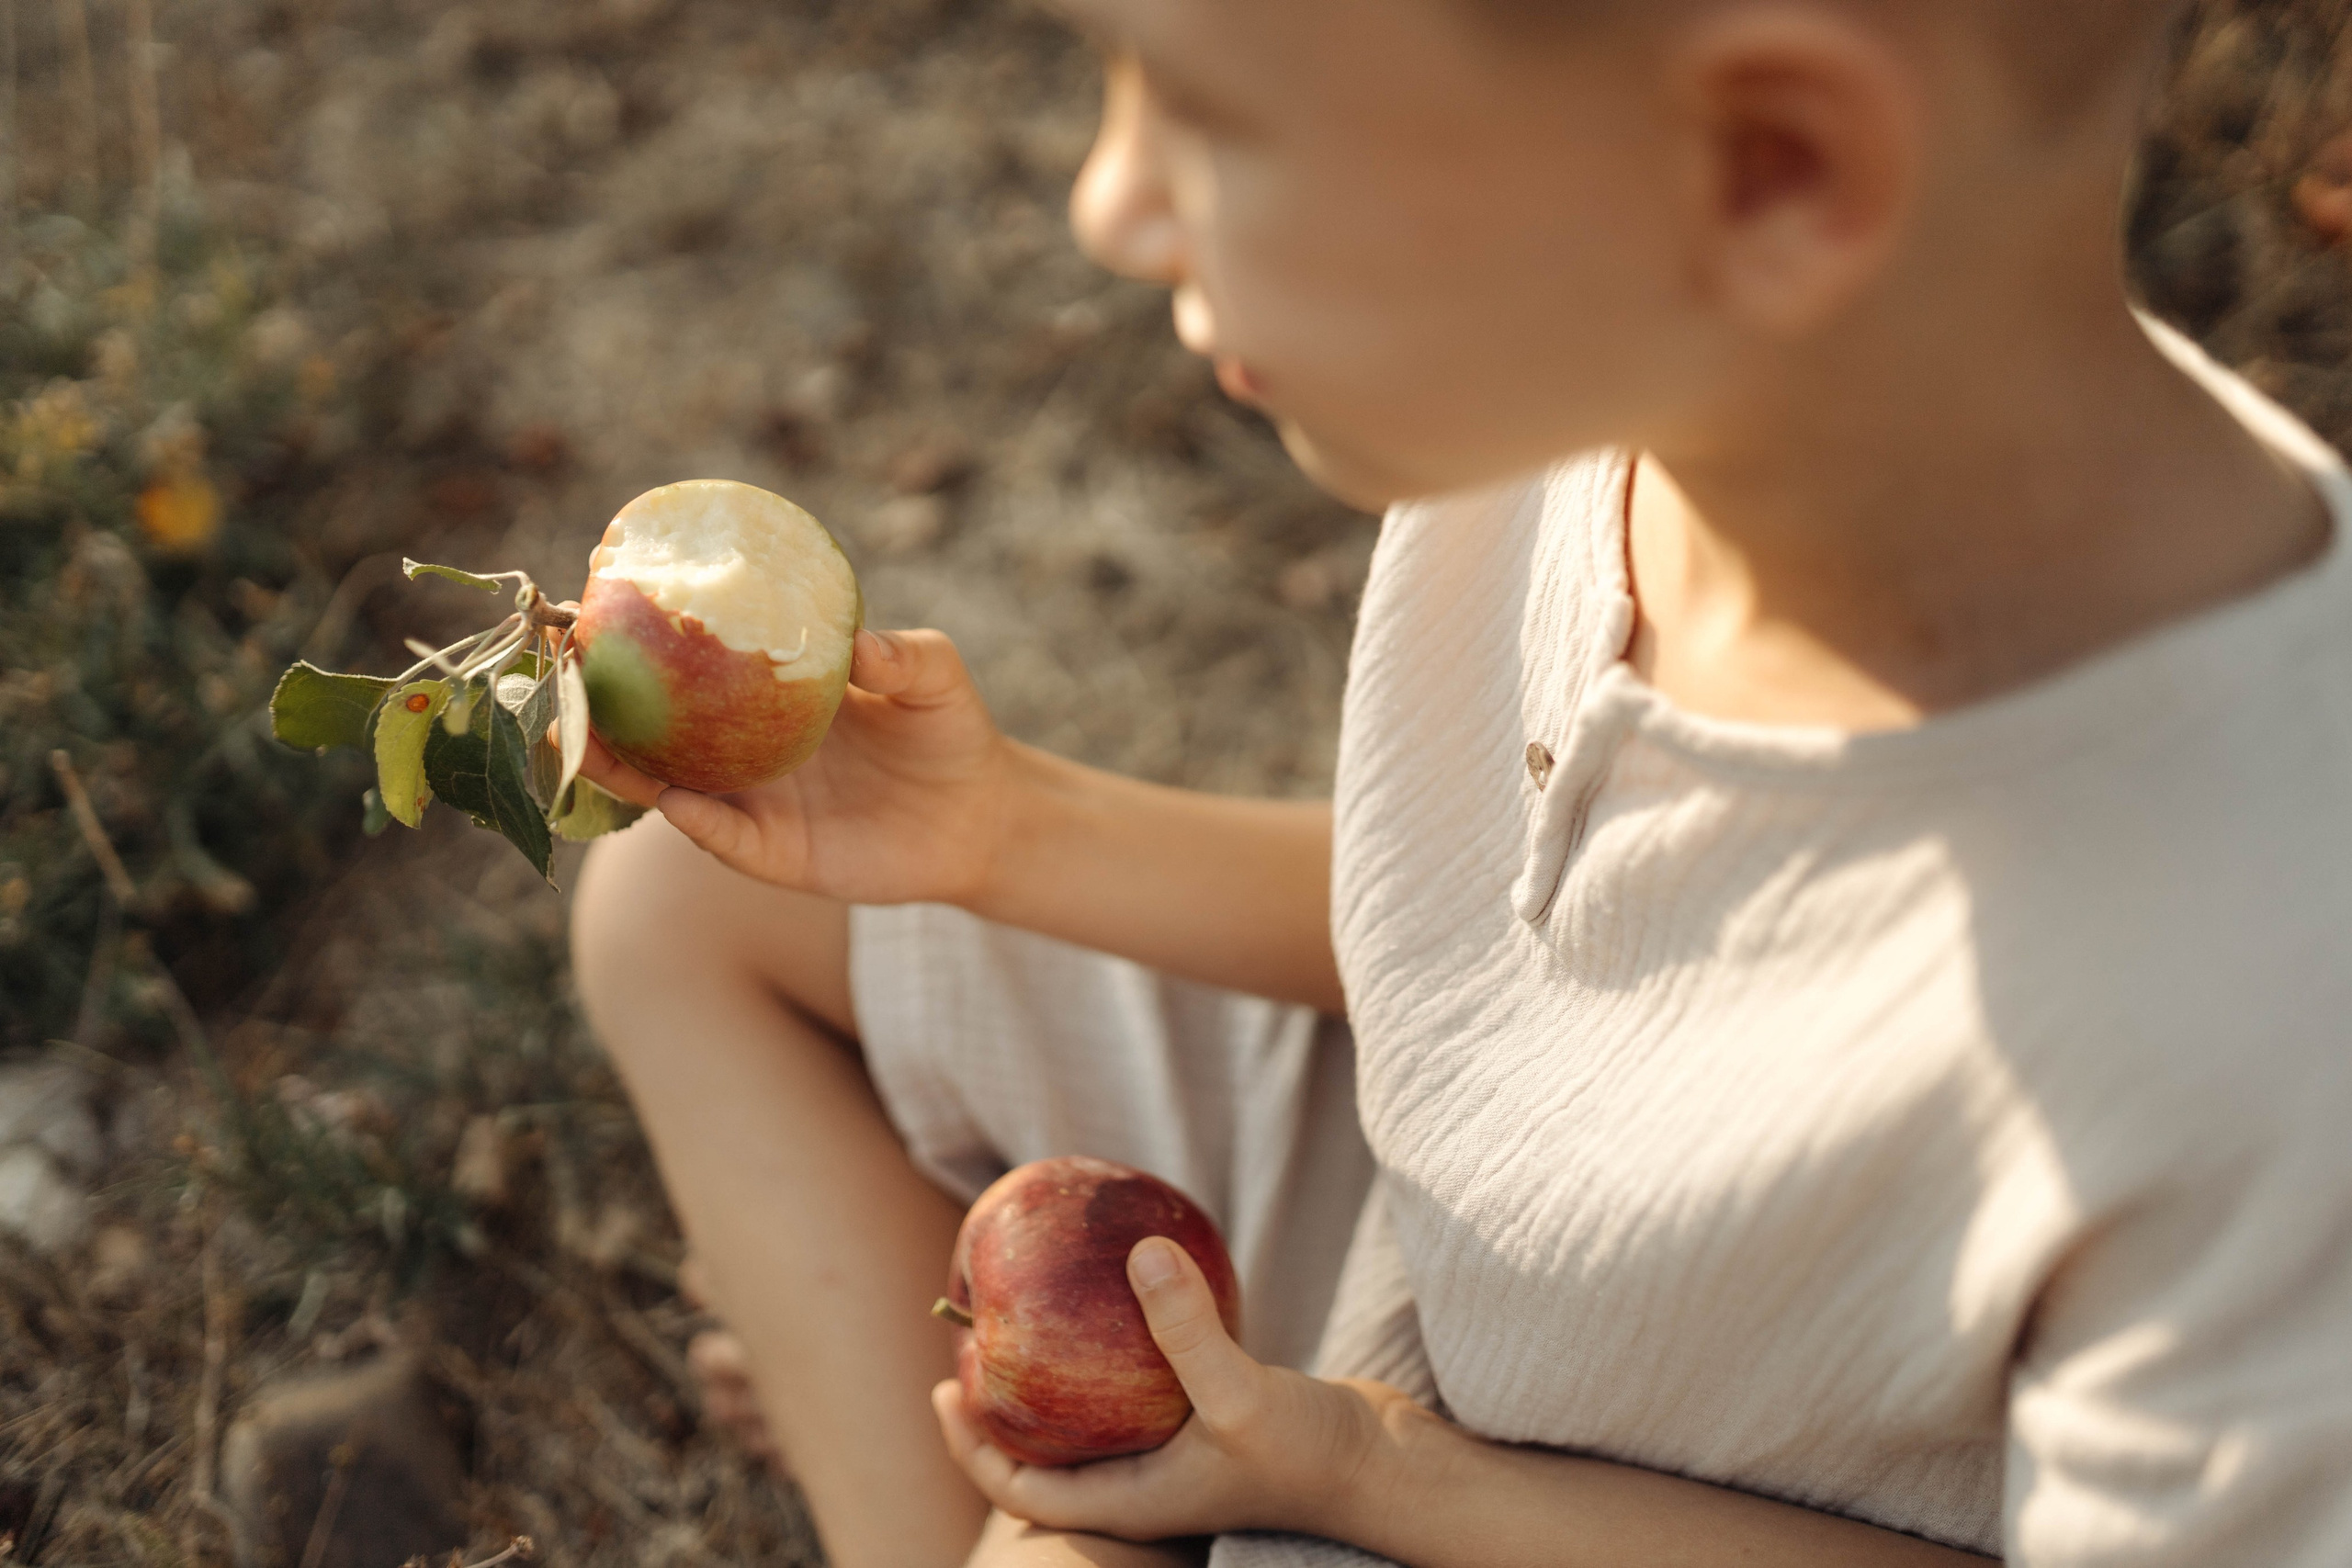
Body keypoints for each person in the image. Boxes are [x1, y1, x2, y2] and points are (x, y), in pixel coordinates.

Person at [570, 1, 2352, 1564]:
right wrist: (1006, 830)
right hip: (1428, 1237)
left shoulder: (2248, 1031)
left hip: (1576, 1505)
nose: (1104, 205)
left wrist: (1363, 1472)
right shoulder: (1639, 377)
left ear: (1769, 169)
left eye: (1207, 113)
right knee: (684, 897)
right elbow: (1508, 941)